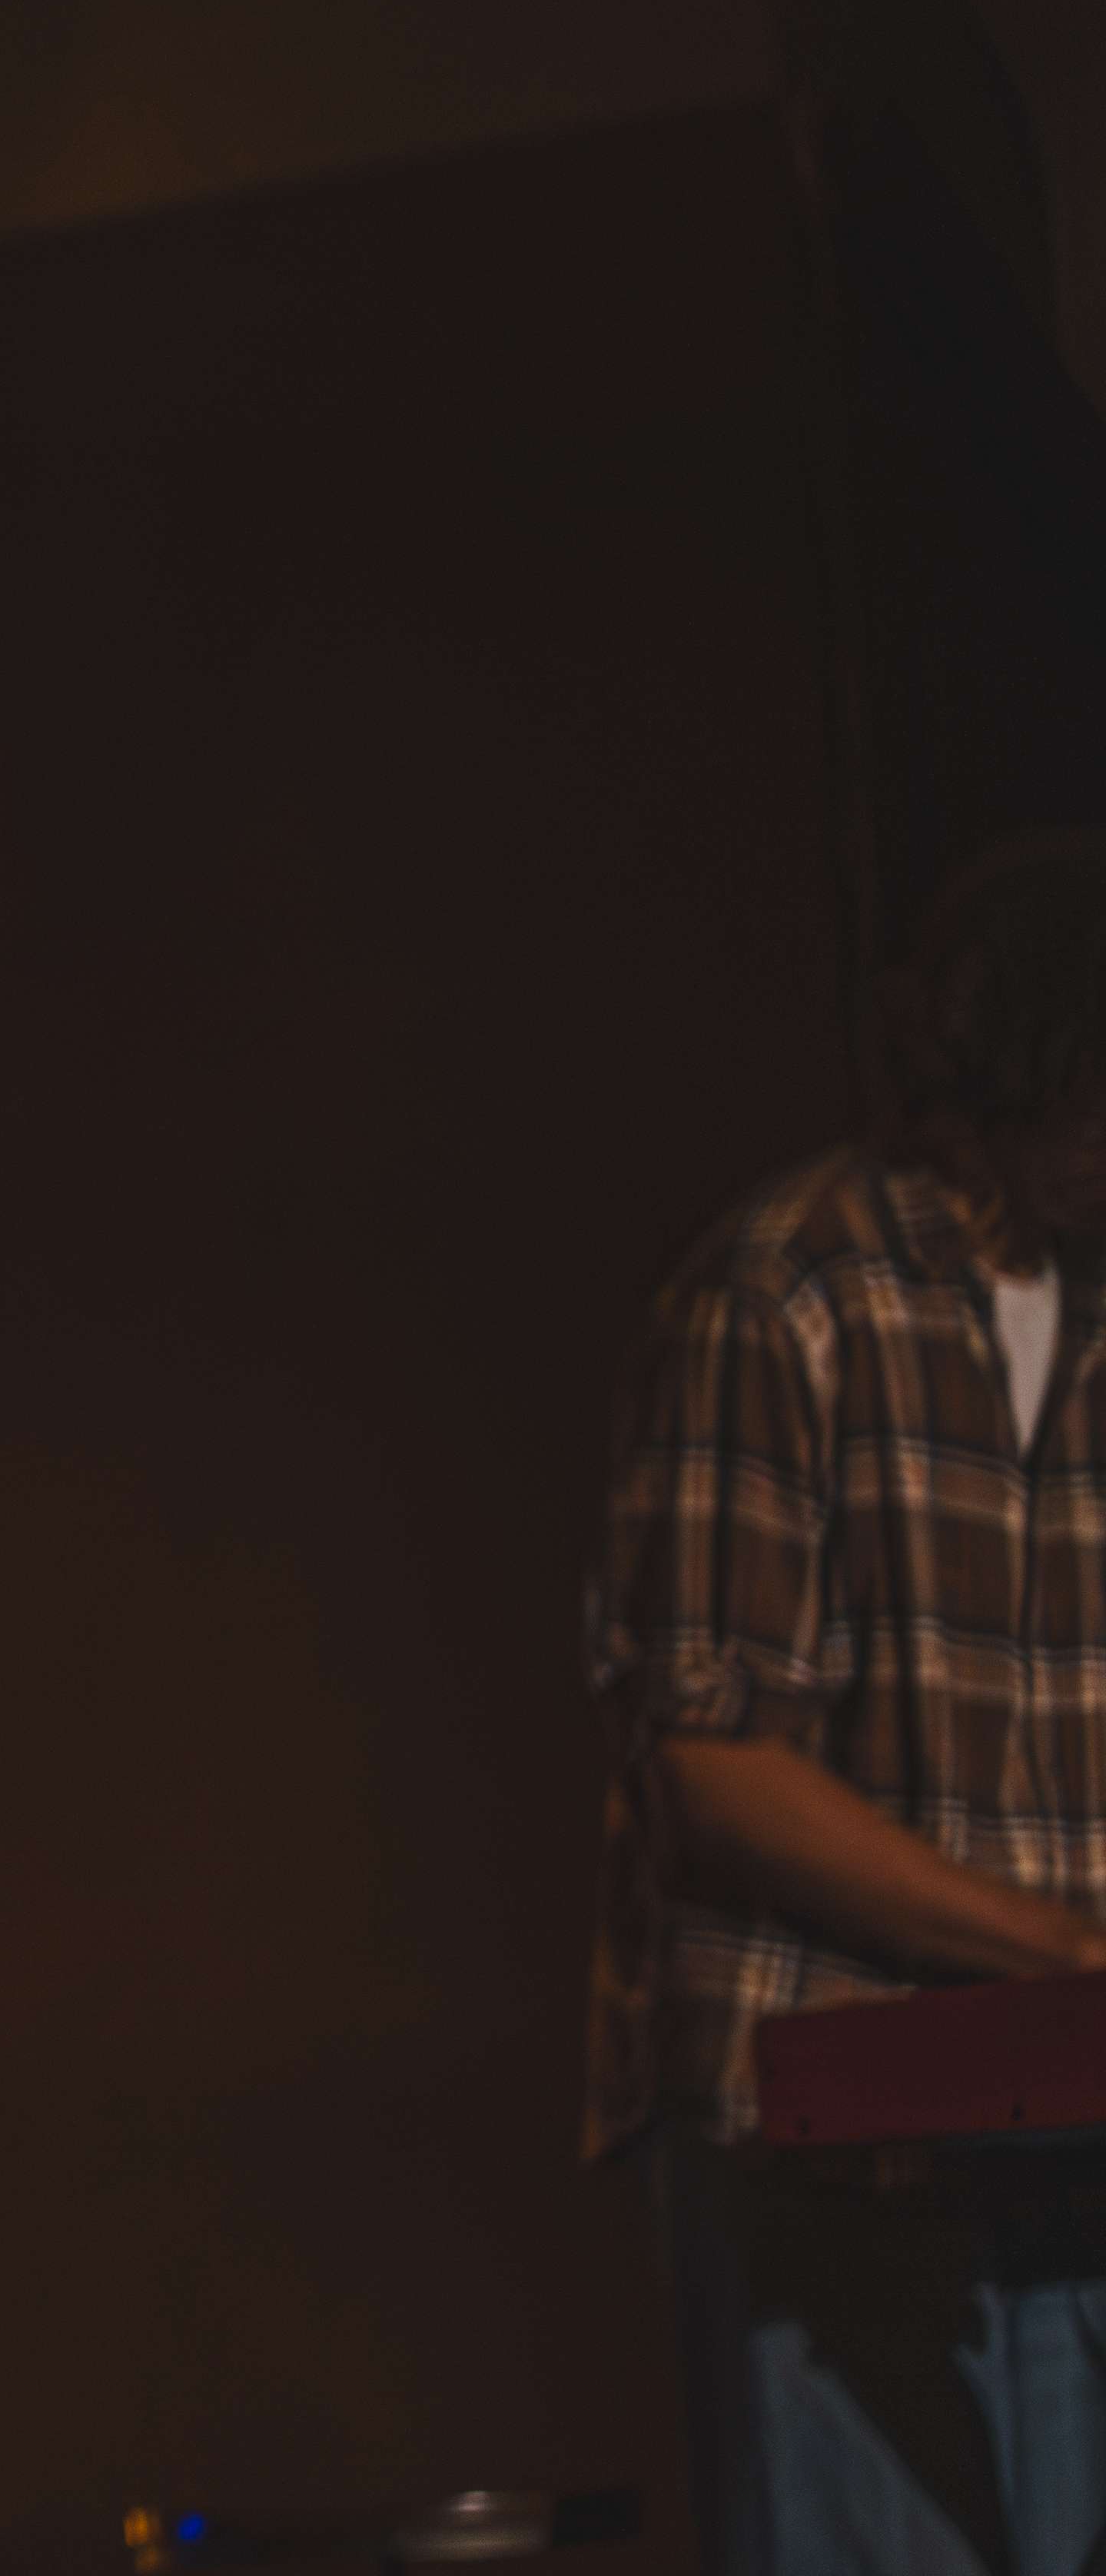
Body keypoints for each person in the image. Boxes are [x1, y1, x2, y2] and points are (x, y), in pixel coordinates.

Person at [590, 830, 1106, 2576]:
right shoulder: (788, 1288)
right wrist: (1059, 1950)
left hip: (1073, 2152)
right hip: (829, 2154)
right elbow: (712, 1760)